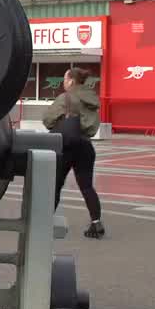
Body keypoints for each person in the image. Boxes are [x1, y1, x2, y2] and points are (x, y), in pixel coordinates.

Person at [42, 67, 104, 239]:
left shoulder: (66, 98)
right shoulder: (92, 100)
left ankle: (45, 223)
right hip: (85, 145)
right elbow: (92, 127)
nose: (63, 82)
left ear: (71, 81)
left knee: (56, 185)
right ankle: (96, 222)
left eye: (65, 79)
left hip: (66, 145)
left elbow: (47, 120)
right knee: (86, 186)